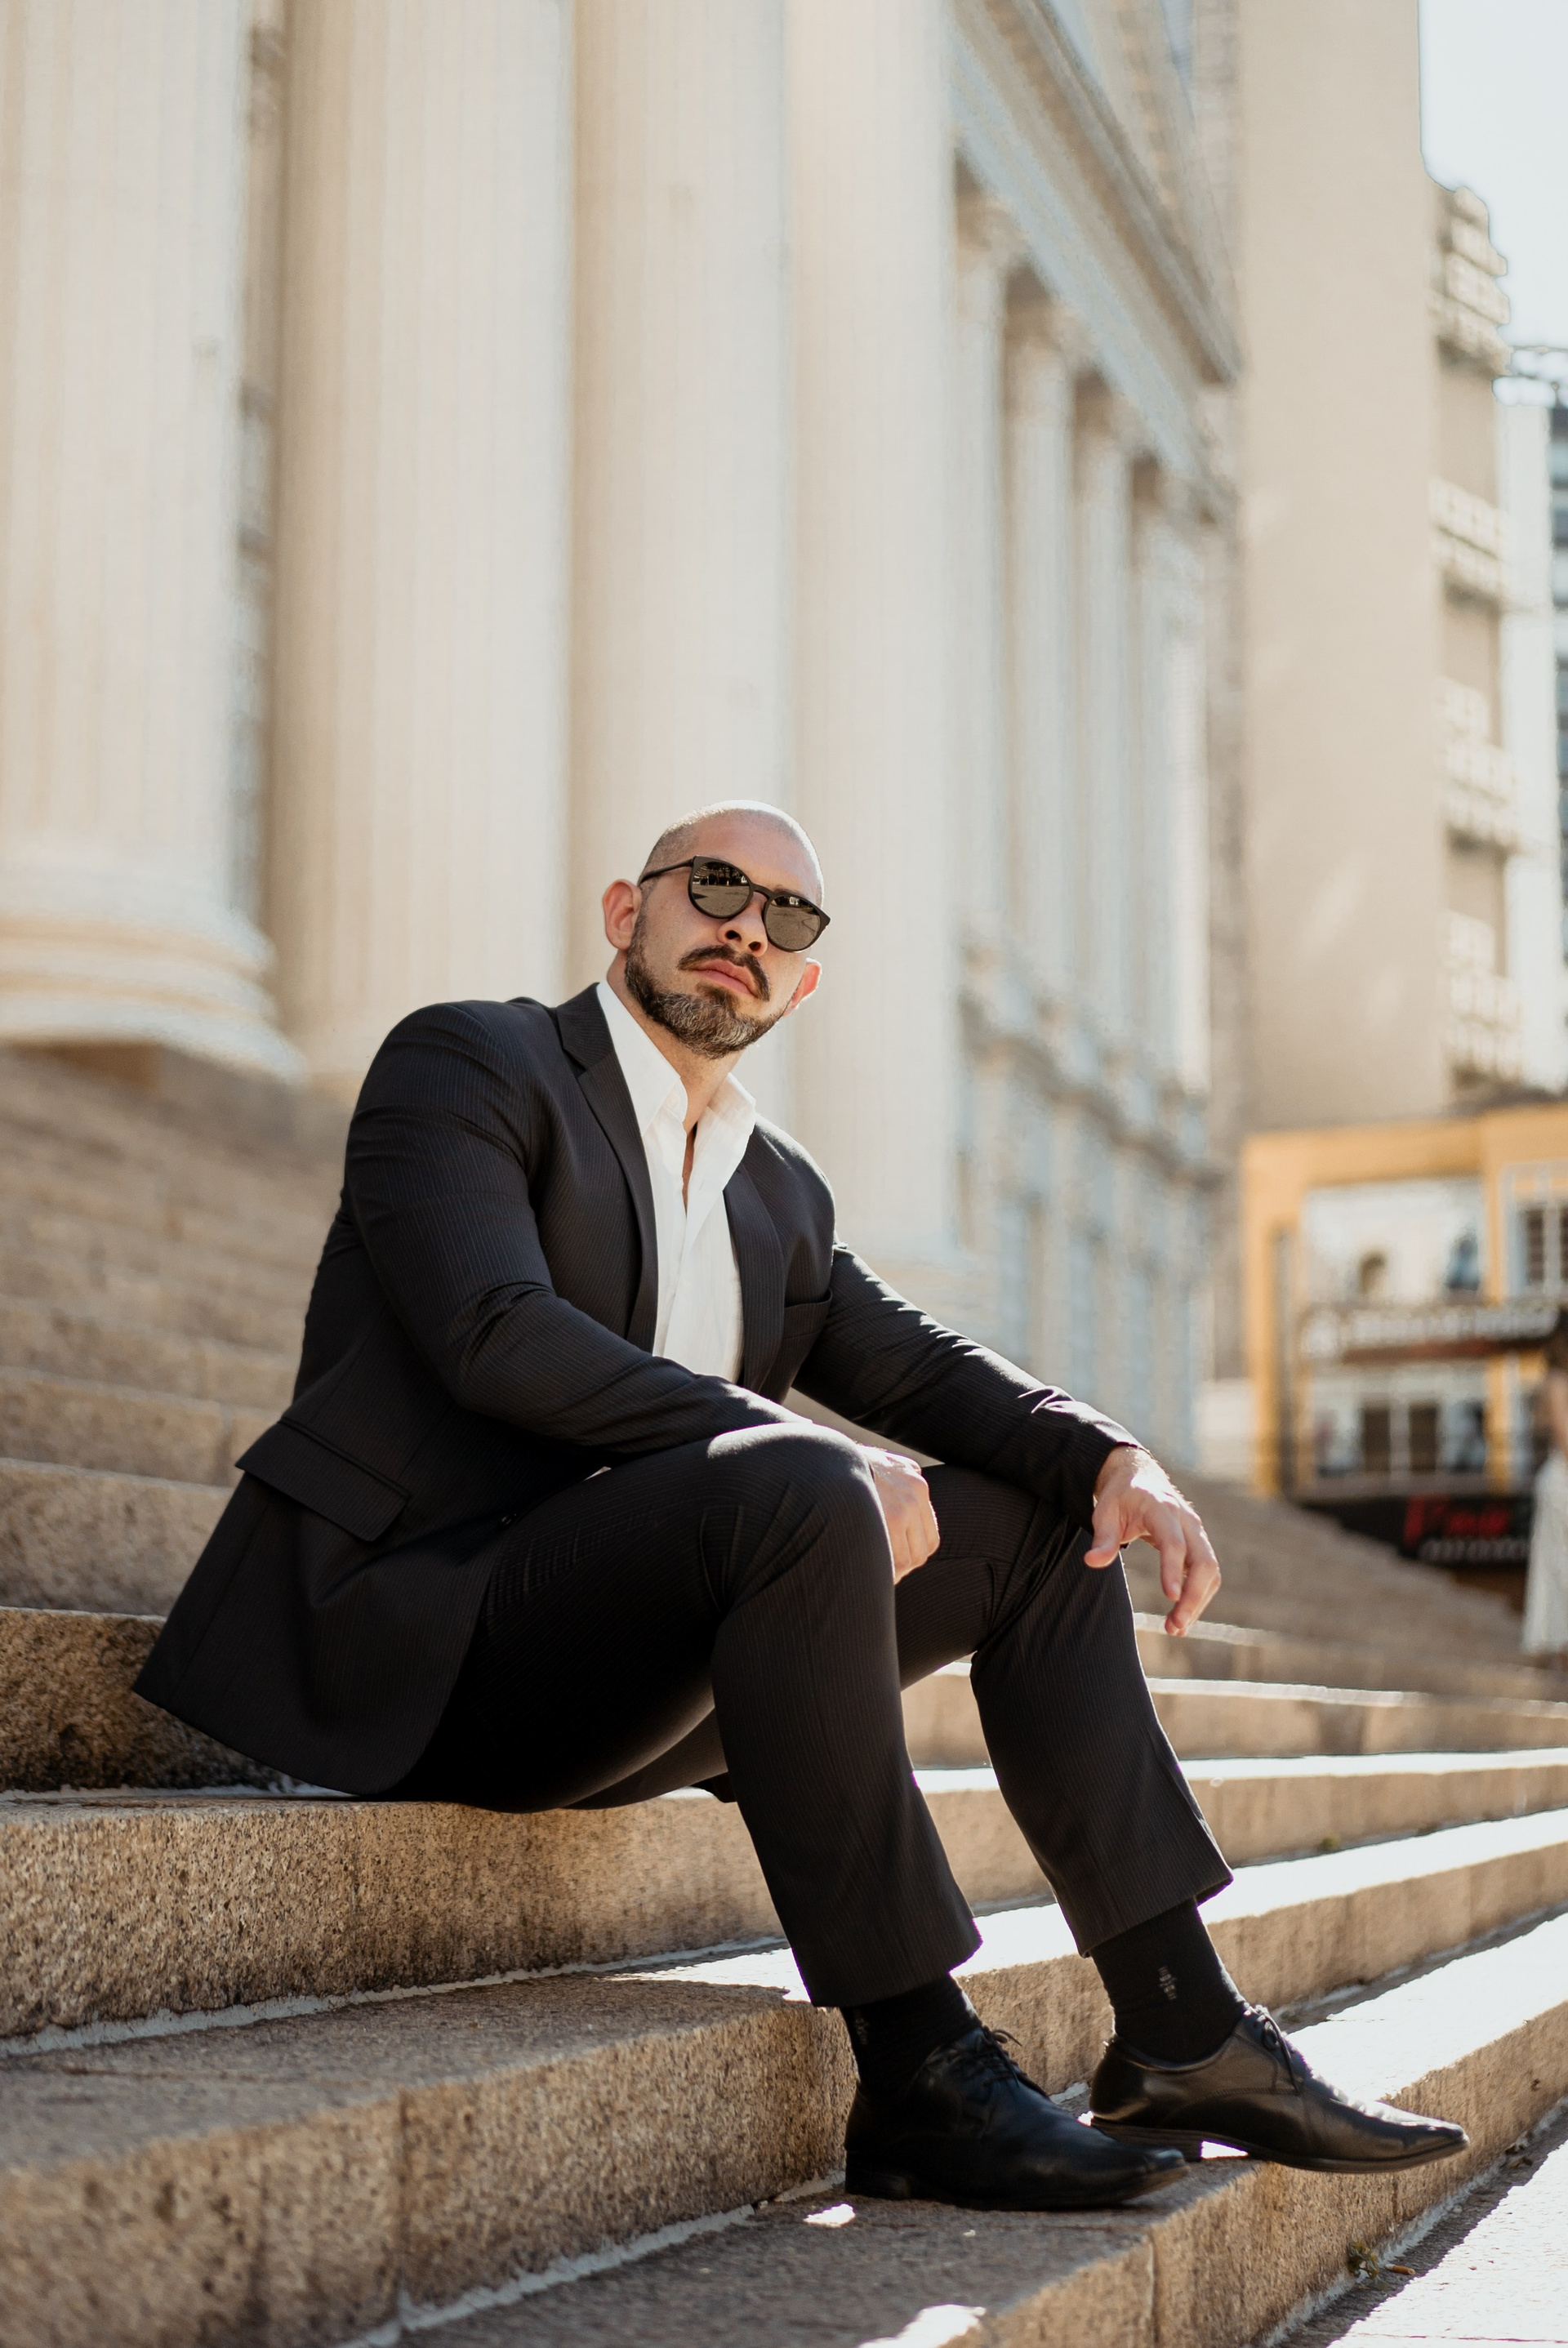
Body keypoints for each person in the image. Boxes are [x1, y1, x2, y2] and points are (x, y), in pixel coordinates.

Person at [137, 800, 1467, 2210]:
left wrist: (1110, 1456)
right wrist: (792, 1443)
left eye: (786, 916)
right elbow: (492, 1330)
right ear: (625, 909)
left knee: (1041, 1529)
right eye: (714, 887)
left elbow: (919, 1367)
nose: (745, 930)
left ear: (804, 980)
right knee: (795, 1479)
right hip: (432, 1644)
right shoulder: (473, 1063)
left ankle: (1183, 2029)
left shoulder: (776, 1189)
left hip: (635, 1684)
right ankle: (921, 2067)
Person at [1523, 1310, 1568, 1660]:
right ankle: (1556, 1644)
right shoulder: (1557, 1382)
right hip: (1562, 1482)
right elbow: (1565, 1440)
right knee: (1559, 1565)